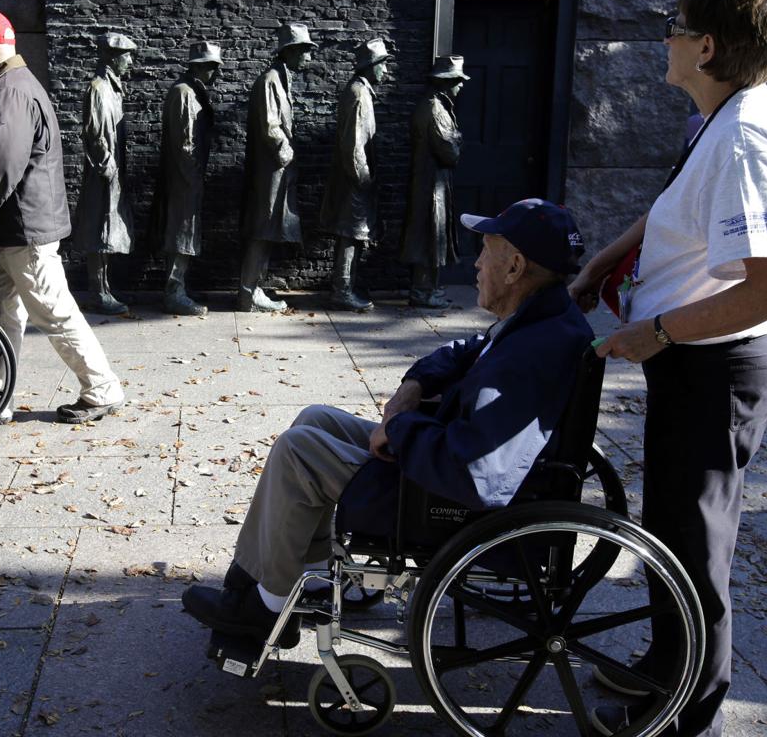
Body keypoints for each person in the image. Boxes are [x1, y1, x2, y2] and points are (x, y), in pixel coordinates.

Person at [568, 0, 767, 737]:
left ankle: (683, 712)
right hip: (696, 359)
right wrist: (610, 257)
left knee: (696, 543)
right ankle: (669, 663)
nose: (661, 38)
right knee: (671, 527)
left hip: (716, 364)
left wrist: (661, 332)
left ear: (703, 47)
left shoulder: (742, 137)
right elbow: (680, 207)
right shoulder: (722, 114)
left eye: (672, 26)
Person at [183, 199, 591, 645]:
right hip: (441, 456)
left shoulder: (530, 355)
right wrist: (413, 386)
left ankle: (267, 608)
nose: (475, 263)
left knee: (299, 452)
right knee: (315, 418)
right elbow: (467, 350)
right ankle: (306, 569)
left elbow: (478, 473)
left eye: (485, 251)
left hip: (445, 500)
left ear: (514, 267)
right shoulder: (540, 318)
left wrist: (399, 430)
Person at [0, 7, 124, 426]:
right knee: (2, 312)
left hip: (23, 231)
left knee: (52, 310)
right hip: (15, 228)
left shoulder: (10, 92)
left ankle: (102, 388)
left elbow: (0, 168)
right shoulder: (13, 86)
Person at [239, 22, 317, 312]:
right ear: (291, 51)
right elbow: (271, 127)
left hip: (277, 169)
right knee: (263, 227)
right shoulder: (271, 80)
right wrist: (288, 155)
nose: (308, 58)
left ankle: (254, 288)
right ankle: (248, 292)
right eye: (305, 51)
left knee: (269, 228)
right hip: (271, 169)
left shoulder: (280, 79)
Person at [318, 38, 391, 313]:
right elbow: (353, 144)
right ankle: (342, 290)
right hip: (354, 180)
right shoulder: (359, 94)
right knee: (350, 234)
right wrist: (363, 178)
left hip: (355, 177)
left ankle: (348, 286)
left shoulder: (361, 91)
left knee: (355, 234)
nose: (386, 71)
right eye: (383, 65)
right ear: (372, 67)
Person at [150, 41, 222, 316]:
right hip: (183, 177)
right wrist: (191, 177)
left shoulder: (193, 92)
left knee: (185, 232)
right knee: (180, 232)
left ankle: (179, 287)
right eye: (212, 68)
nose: (215, 74)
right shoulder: (183, 93)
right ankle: (173, 292)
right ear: (200, 67)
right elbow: (184, 143)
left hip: (189, 175)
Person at [75, 31, 138, 315]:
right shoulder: (99, 88)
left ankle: (104, 288)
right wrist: (107, 165)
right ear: (113, 58)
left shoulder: (112, 88)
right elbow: (95, 134)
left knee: (107, 228)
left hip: (111, 171)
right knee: (99, 228)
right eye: (127, 55)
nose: (131, 62)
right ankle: (98, 291)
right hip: (103, 173)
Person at [399, 55, 468, 309]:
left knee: (432, 234)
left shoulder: (437, 106)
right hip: (431, 184)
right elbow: (450, 152)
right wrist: (458, 141)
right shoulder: (434, 109)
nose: (460, 86)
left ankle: (429, 288)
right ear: (446, 82)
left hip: (433, 181)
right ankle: (422, 290)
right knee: (428, 234)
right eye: (458, 81)